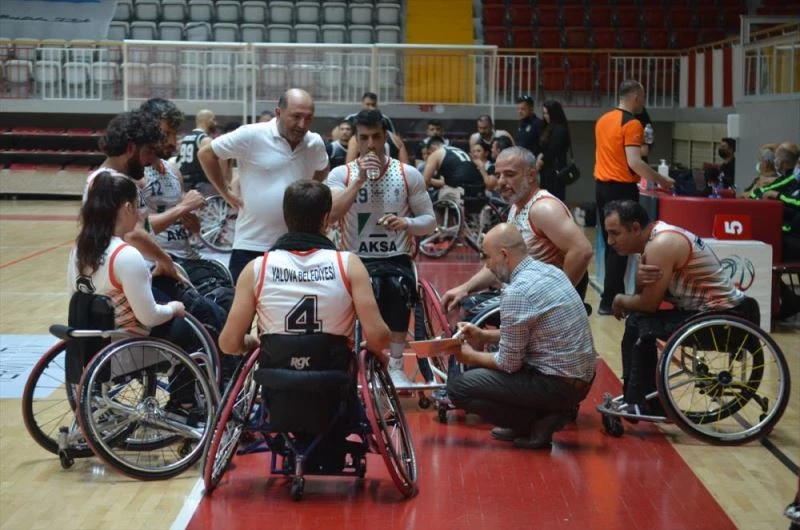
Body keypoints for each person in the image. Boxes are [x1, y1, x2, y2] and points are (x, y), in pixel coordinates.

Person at [446, 223, 595, 449]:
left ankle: (536, 422)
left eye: (488, 258)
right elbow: (533, 334)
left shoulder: (517, 292)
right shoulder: (550, 271)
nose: (487, 265)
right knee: (489, 367)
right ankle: (544, 414)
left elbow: (508, 363)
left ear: (504, 255)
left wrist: (469, 357)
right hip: (580, 379)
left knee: (459, 387)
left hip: (558, 384)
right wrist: (484, 337)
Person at [603, 200, 759, 413]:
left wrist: (619, 299)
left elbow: (649, 304)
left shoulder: (661, 244)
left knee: (641, 326)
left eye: (615, 233)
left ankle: (641, 400)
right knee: (638, 321)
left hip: (724, 317)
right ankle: (641, 398)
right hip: (707, 313)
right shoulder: (653, 241)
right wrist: (640, 277)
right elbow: (643, 298)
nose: (610, 241)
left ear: (636, 227)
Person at [219, 180, 390, 361]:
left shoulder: (257, 267)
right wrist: (370, 346)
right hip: (333, 377)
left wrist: (250, 343)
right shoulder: (349, 264)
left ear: (285, 217)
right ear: (326, 219)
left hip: (276, 379)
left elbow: (229, 343)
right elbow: (378, 336)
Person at [326, 109, 436, 387]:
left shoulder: (407, 173)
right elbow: (331, 215)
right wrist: (359, 180)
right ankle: (352, 360)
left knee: (395, 286)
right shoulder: (342, 173)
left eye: (377, 137)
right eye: (364, 138)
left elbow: (430, 222)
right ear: (356, 140)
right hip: (355, 258)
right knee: (357, 295)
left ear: (385, 137)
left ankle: (396, 366)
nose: (371, 144)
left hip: (395, 257)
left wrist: (406, 222)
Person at [69, 171, 198, 406]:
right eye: (139, 208)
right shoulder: (126, 254)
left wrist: (145, 277)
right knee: (191, 325)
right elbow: (148, 317)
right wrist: (174, 307)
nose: (140, 215)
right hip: (124, 346)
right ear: (128, 207)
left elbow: (106, 290)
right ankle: (185, 403)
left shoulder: (80, 247)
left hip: (90, 339)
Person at [197, 88, 330, 282]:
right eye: (296, 117)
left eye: (308, 118)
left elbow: (322, 168)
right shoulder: (252, 135)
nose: (302, 125)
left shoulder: (314, 143)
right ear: (278, 112)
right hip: (251, 245)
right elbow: (207, 154)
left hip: (298, 247)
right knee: (245, 309)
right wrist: (225, 192)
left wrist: (308, 195)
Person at [441, 147, 593, 311]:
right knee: (461, 306)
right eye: (498, 175)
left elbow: (582, 251)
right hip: (521, 295)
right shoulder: (516, 207)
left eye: (510, 174)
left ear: (531, 175)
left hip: (537, 304)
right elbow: (499, 265)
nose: (501, 182)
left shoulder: (543, 209)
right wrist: (465, 288)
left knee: (467, 316)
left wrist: (556, 298)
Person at [594, 79, 674, 315]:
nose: (644, 102)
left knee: (612, 244)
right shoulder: (633, 124)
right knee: (621, 245)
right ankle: (610, 301)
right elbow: (635, 162)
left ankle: (611, 298)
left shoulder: (602, 120)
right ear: (637, 97)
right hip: (621, 189)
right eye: (644, 97)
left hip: (601, 187)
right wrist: (662, 180)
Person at [85, 110, 180, 282]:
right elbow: (133, 233)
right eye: (149, 151)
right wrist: (164, 259)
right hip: (121, 280)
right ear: (130, 148)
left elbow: (142, 228)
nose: (152, 159)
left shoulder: (105, 178)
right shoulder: (114, 183)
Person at [344, 92, 409, 165]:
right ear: (362, 104)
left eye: (373, 105)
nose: (371, 107)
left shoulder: (385, 119)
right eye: (368, 104)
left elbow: (395, 139)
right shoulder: (351, 119)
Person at [423, 136, 486, 207]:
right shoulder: (458, 150)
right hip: (479, 187)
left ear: (432, 148)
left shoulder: (436, 153)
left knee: (433, 197)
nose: (428, 156)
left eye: (428, 153)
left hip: (460, 188)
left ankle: (439, 217)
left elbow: (425, 181)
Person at [537, 99, 571, 201]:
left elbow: (552, 150)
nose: (545, 116)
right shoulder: (547, 127)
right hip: (548, 169)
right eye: (544, 113)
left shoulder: (559, 129)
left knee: (553, 198)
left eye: (547, 113)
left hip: (555, 171)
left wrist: (541, 159)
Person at [178, 108, 216, 195]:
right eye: (213, 120)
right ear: (208, 121)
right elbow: (212, 165)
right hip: (201, 185)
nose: (215, 123)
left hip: (186, 184)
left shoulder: (184, 139)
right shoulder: (205, 140)